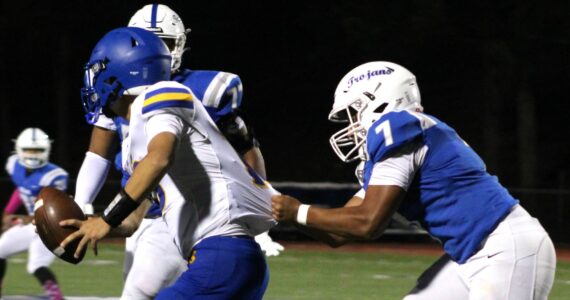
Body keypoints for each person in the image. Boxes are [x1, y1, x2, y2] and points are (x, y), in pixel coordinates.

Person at [271, 61, 557, 299]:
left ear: (378, 99)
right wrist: (288, 215)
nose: (352, 125)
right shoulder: (399, 143)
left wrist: (297, 210)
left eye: (354, 112)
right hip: (471, 254)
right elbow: (340, 232)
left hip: (505, 248)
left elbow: (368, 223)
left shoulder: (397, 126)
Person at [73, 3, 283, 299]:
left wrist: (105, 219)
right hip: (201, 243)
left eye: (103, 70)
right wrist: (93, 221)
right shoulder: (136, 133)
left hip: (219, 247)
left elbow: (161, 158)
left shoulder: (165, 92)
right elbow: (134, 217)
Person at [0, 128, 68, 300]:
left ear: (46, 150)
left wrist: (24, 218)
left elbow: (50, 209)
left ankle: (56, 297)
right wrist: (8, 213)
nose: (32, 154)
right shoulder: (14, 164)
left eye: (37, 150)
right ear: (19, 149)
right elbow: (21, 188)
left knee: (36, 265)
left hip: (50, 228)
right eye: (29, 150)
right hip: (32, 226)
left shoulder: (55, 176)